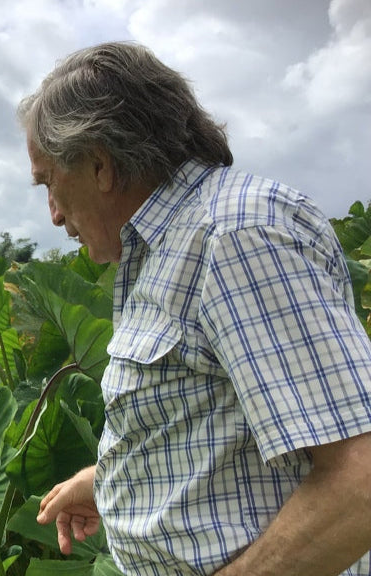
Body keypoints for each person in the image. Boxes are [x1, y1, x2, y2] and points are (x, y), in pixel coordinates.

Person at [20, 42, 371, 576]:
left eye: (49, 182)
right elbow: (216, 418)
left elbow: (359, 478)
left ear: (99, 162)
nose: (52, 213)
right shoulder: (166, 249)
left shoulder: (233, 235)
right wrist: (104, 481)